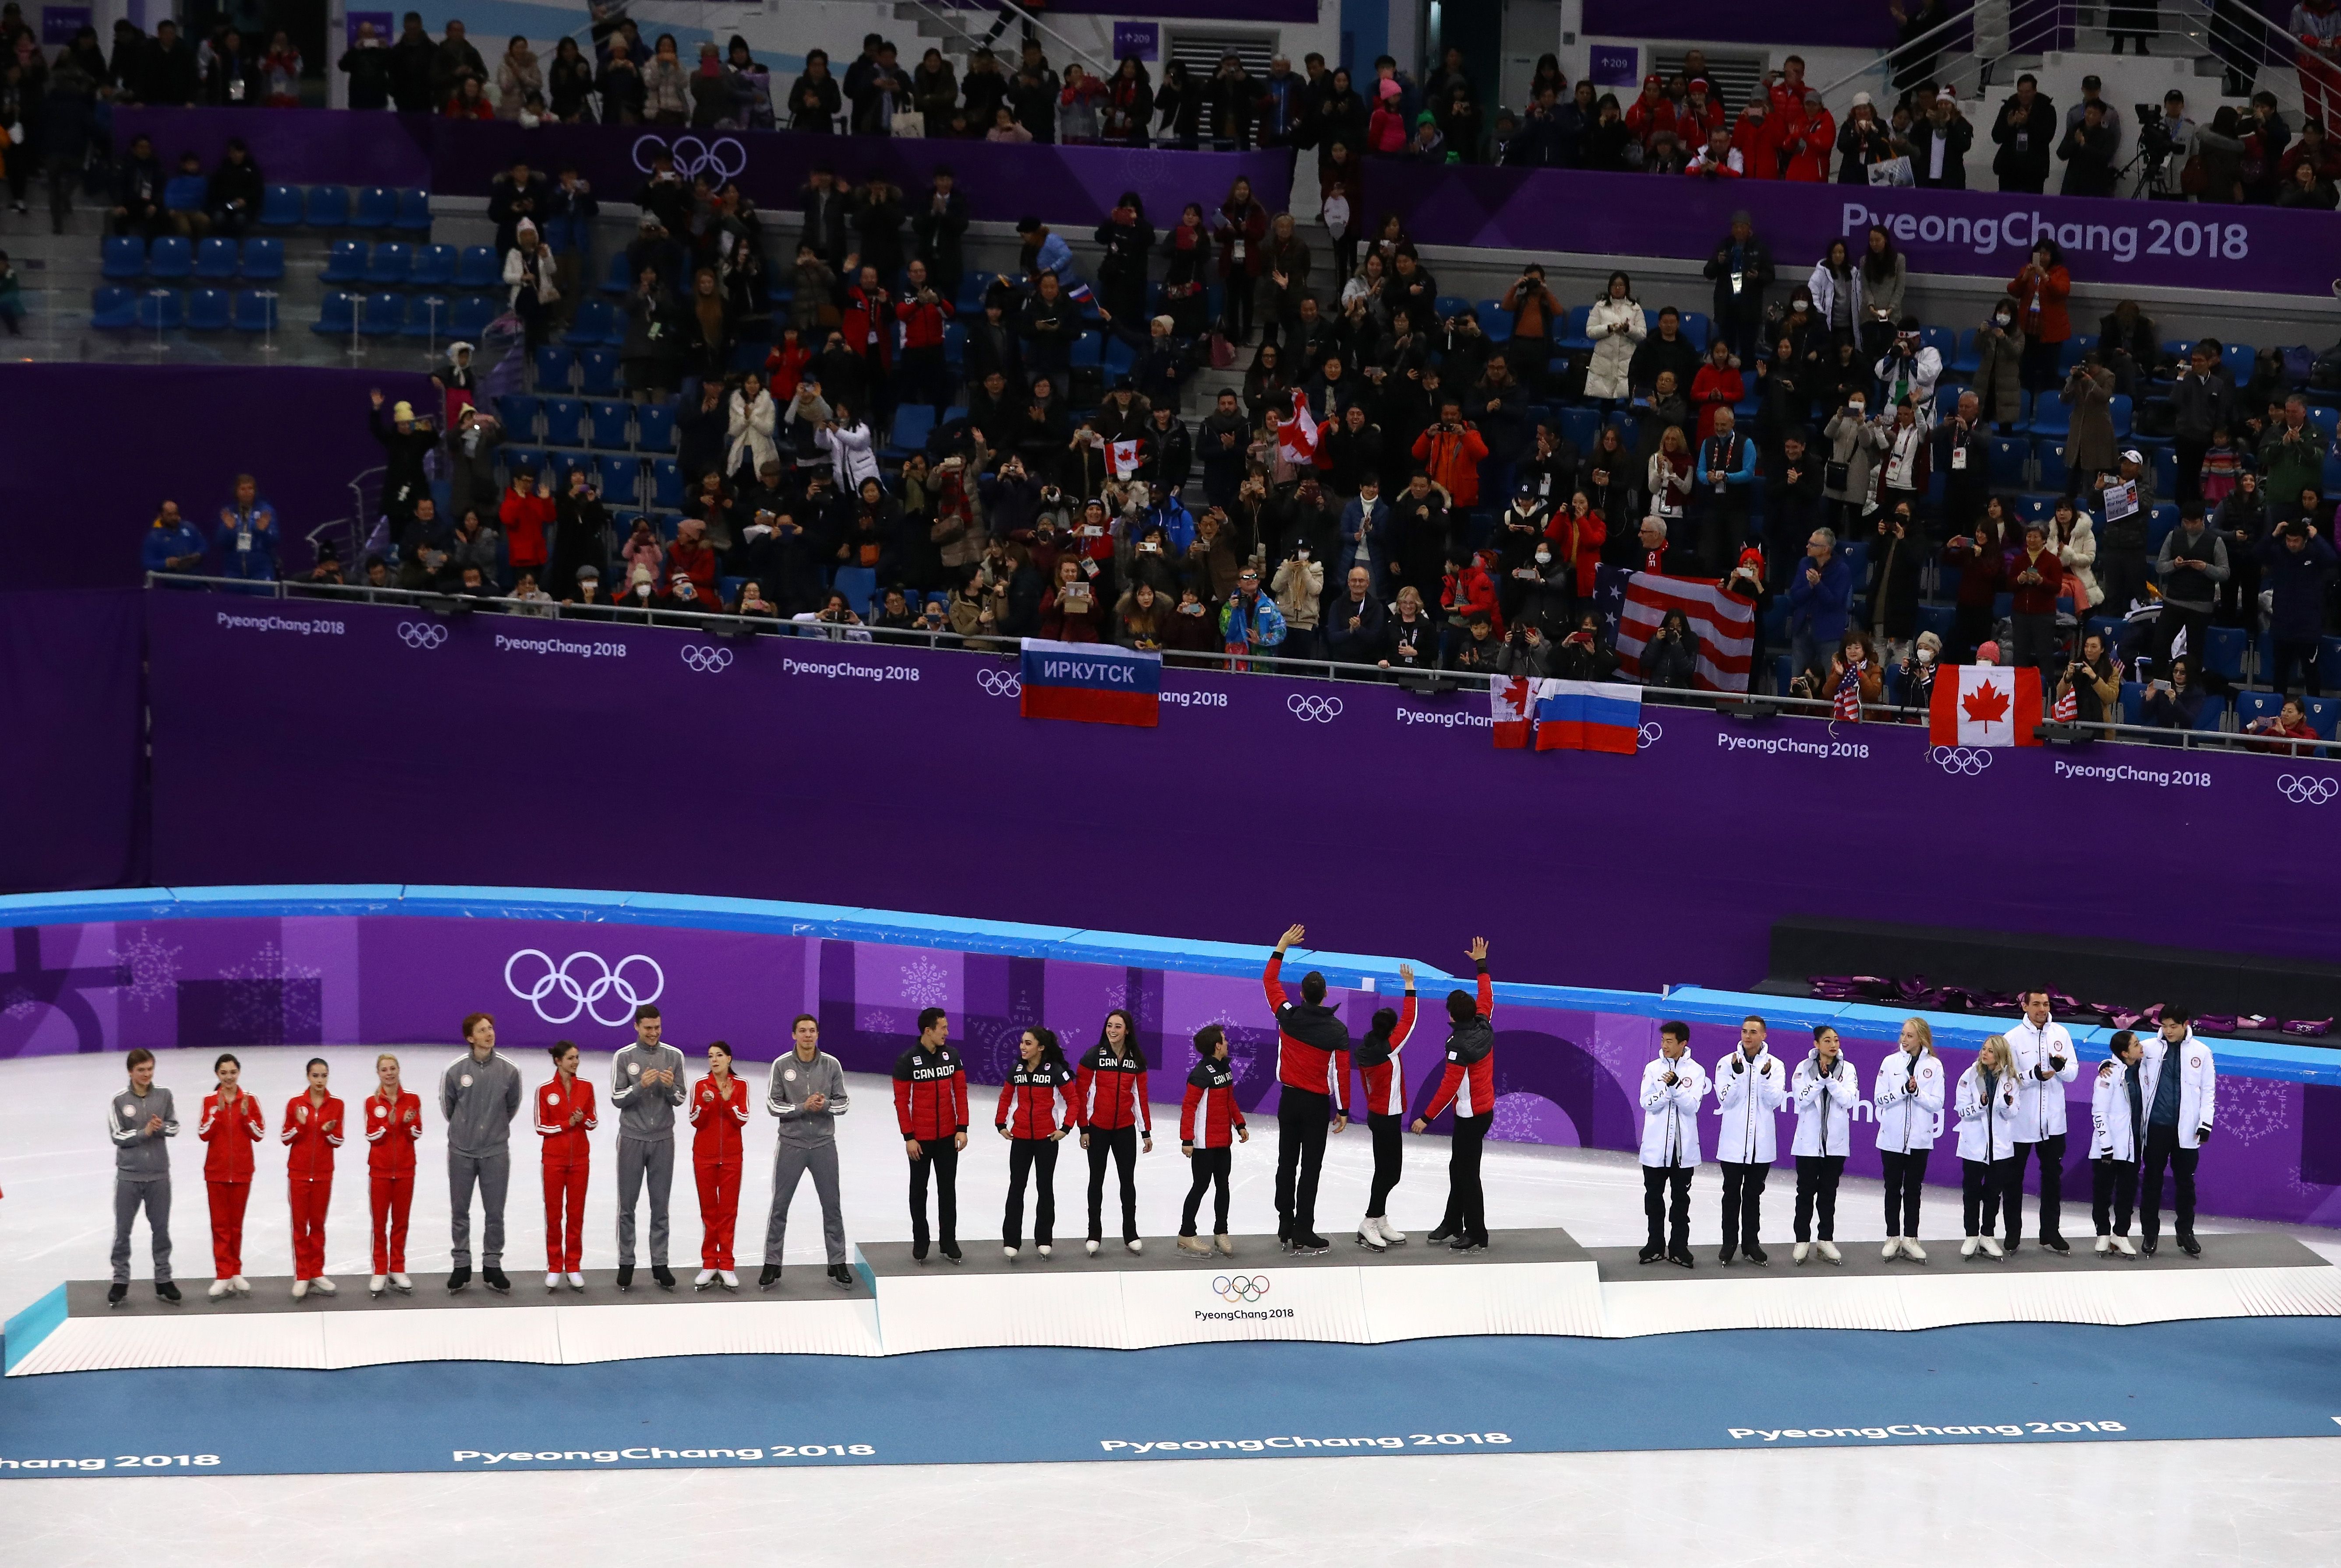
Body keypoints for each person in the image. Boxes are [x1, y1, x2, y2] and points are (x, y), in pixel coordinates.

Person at [1263, 922, 1353, 1254]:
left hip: (1289, 1102)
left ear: (1301, 995)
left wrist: (1282, 945)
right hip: (1317, 1106)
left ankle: (1285, 1223)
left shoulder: (1288, 1016)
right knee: (1310, 1167)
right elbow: (1342, 1074)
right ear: (1326, 994)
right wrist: (1343, 1110)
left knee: (1287, 1161)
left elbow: (1270, 982)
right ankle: (1304, 1229)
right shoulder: (1337, 1030)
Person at [1406, 939, 1496, 1252]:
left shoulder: (1458, 1046)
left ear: (1453, 1016)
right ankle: (1452, 1223)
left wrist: (1425, 1118)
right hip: (1481, 1111)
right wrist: (1481, 964)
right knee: (1458, 1168)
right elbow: (1487, 996)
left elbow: (1449, 1087)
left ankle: (1477, 1233)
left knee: (1467, 1174)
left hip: (1472, 1115)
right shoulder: (1483, 1023)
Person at [761, 1014, 856, 1290]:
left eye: (812, 1031)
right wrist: (803, 1107)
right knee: (780, 1206)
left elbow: (844, 1103)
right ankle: (771, 1263)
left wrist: (824, 1105)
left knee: (832, 1207)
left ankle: (837, 1263)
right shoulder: (781, 1065)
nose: (807, 1035)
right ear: (794, 1035)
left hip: (824, 1146)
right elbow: (772, 1105)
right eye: (802, 1031)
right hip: (791, 1145)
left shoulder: (831, 1065)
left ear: (817, 1035)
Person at [442, 1012, 522, 1294]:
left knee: (495, 1213)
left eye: (491, 1028)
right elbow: (448, 1108)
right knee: (460, 1210)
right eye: (482, 1030)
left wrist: (493, 1130)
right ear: (470, 1038)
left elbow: (512, 1106)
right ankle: (461, 1265)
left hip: (495, 1152)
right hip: (462, 1152)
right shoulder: (455, 1071)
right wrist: (467, 1130)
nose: (489, 1034)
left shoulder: (509, 1071)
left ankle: (492, 1265)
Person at [609, 1003, 686, 1291]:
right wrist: (640, 1085)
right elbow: (617, 1098)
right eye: (648, 1028)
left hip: (664, 1140)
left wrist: (668, 1087)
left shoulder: (674, 1056)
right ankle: (626, 1262)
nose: (654, 1033)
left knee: (660, 1206)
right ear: (637, 1027)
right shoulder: (624, 1057)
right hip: (632, 1138)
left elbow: (680, 1098)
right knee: (627, 1205)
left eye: (658, 1028)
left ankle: (660, 1264)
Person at [2003, 989, 2080, 1255]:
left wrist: (2059, 1068)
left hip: (2053, 1123)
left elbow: (2073, 1073)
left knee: (2052, 1179)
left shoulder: (2061, 1034)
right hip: (2021, 1122)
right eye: (2036, 1004)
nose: (2042, 1009)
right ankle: (2013, 1234)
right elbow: (2008, 1080)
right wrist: (2034, 1073)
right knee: (2014, 1180)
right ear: (2024, 1005)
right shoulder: (2012, 1039)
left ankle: (2050, 1233)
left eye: (2046, 1004)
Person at [2137, 1006, 2217, 1256]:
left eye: (2173, 1026)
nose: (2168, 1031)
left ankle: (2185, 1232)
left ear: (2186, 1024)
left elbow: (2209, 1091)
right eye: (2164, 1026)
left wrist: (2205, 1123)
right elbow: (2122, 1060)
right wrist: (2105, 1065)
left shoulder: (2201, 1052)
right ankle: (2150, 1232)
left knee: (2185, 1183)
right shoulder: (2149, 1047)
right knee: (2152, 1181)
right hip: (2157, 1127)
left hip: (2188, 1130)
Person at [1074, 1009, 1153, 1257]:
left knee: (1127, 1182)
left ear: (1127, 1030)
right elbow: (1081, 1096)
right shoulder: (1093, 1056)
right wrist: (1084, 1128)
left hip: (1125, 1130)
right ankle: (1094, 1233)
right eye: (1110, 1026)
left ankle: (1130, 1234)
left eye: (1118, 1027)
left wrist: (1145, 1132)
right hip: (1097, 1130)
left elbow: (1140, 1098)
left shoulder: (1136, 1060)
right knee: (1096, 1181)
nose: (1113, 1031)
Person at [995, 1028, 1079, 1259]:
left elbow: (1074, 1100)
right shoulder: (1017, 1070)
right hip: (1020, 1139)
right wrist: (1001, 1123)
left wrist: (1065, 1129)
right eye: (1022, 1042)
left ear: (1041, 1048)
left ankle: (1044, 1239)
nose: (1023, 1047)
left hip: (1046, 1140)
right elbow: (1005, 1097)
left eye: (1028, 1043)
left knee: (1045, 1188)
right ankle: (1012, 1240)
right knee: (1016, 1188)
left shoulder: (1055, 1071)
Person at [895, 1006, 969, 1264]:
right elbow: (902, 1103)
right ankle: (921, 1240)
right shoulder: (907, 1060)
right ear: (928, 1031)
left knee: (947, 1190)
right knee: (919, 1191)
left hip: (948, 1137)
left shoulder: (952, 1056)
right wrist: (909, 1137)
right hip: (921, 1141)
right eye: (943, 1028)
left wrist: (962, 1128)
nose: (947, 1033)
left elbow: (960, 1093)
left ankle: (949, 1241)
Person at [107, 1048, 180, 1307]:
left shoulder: (164, 1095)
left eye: (150, 1069)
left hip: (159, 1175)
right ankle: (120, 1280)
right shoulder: (119, 1100)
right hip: (129, 1177)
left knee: (161, 1230)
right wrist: (144, 1132)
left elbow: (175, 1125)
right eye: (141, 1070)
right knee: (123, 1232)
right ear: (131, 1072)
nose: (147, 1074)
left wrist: (162, 1128)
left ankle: (163, 1279)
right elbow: (117, 1136)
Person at [1353, 964, 1418, 1250]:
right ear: (1390, 1030)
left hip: (1379, 1115)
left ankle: (1379, 1218)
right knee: (1390, 1173)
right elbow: (1411, 1020)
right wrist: (1410, 986)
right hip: (1386, 1117)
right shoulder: (1389, 1048)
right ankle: (1369, 1221)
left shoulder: (1369, 1046)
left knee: (1386, 1171)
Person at [1712, 1014, 1785, 1266]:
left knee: (1754, 1196)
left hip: (1760, 1146)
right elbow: (1725, 1100)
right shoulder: (1726, 1063)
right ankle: (1729, 1243)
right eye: (1744, 1031)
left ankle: (1751, 1243)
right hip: (1732, 1145)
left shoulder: (1775, 1065)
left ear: (1764, 1035)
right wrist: (1739, 1075)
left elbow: (1774, 1101)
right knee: (1731, 1195)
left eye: (1753, 1032)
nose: (1748, 1036)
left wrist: (1763, 1078)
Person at [1637, 1023, 1708, 1267]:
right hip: (1656, 1148)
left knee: (1681, 1201)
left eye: (1670, 1041)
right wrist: (1667, 1091)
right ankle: (1655, 1244)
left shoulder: (1697, 1071)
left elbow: (1692, 1106)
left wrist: (1676, 1087)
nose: (1664, 1045)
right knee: (1654, 1198)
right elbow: (1646, 1102)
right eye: (1663, 1041)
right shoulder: (1652, 1068)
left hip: (1682, 1150)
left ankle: (1679, 1247)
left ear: (1683, 1044)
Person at [1873, 1017, 1944, 1261]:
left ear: (1921, 1038)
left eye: (1910, 1036)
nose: (1904, 1039)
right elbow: (1879, 1098)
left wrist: (1917, 1092)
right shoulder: (1890, 1062)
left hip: (1919, 1142)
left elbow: (1937, 1103)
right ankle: (1893, 1236)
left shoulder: (1934, 1066)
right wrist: (1903, 1090)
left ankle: (1911, 1237)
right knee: (1892, 1188)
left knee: (1913, 1190)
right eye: (1903, 1034)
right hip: (1891, 1139)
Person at [1786, 1026, 1858, 1264]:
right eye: (1827, 1040)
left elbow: (1849, 1100)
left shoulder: (1848, 1069)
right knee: (1805, 1194)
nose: (1833, 1045)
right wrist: (1820, 1080)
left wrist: (1831, 1081)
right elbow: (1801, 1099)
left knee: (1828, 1194)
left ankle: (1825, 1240)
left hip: (1834, 1145)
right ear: (1816, 1045)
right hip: (1809, 1145)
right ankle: (1802, 1241)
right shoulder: (1803, 1068)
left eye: (1836, 1040)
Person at [527, 1040, 594, 1294]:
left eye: (577, 1057)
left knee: (576, 1214)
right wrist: (568, 1123)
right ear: (558, 1061)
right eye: (571, 1058)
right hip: (553, 1160)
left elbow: (594, 1121)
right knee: (554, 1215)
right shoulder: (545, 1090)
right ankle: (555, 1266)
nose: (576, 1062)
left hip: (580, 1160)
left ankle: (574, 1265)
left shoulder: (586, 1087)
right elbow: (540, 1126)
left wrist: (583, 1120)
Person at [197, 1052, 265, 1300]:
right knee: (220, 1226)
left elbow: (259, 1133)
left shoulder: (250, 1100)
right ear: (217, 1075)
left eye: (233, 1072)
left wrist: (246, 1116)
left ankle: (235, 1272)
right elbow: (203, 1133)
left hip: (242, 1172)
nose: (229, 1077)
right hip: (216, 1173)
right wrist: (217, 1113)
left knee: (236, 1225)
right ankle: (223, 1274)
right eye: (224, 1073)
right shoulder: (209, 1101)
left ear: (239, 1073)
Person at [1177, 1024, 1249, 1255]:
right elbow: (1189, 1107)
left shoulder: (1225, 1069)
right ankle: (1186, 1234)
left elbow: (1231, 1102)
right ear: (1217, 1046)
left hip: (1223, 1141)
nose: (1228, 1043)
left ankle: (1221, 1232)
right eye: (1225, 1040)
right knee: (1200, 1186)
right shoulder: (1201, 1074)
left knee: (1223, 1186)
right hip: (1203, 1143)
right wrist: (1187, 1139)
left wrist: (1240, 1125)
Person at [279, 1058, 343, 1299]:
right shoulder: (296, 1104)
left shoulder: (337, 1104)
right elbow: (286, 1137)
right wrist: (300, 1125)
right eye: (316, 1076)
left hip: (324, 1174)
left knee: (318, 1225)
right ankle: (302, 1275)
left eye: (324, 1076)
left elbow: (339, 1140)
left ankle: (317, 1271)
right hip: (299, 1173)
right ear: (308, 1076)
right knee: (299, 1225)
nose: (320, 1080)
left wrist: (329, 1133)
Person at [686, 1041, 748, 1290]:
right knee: (709, 1212)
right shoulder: (701, 1085)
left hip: (732, 1157)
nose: (714, 1060)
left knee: (728, 1212)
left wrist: (727, 1101)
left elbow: (743, 1118)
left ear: (729, 1059)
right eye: (711, 1056)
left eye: (719, 1055)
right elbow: (694, 1120)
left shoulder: (741, 1085)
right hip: (704, 1156)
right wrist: (707, 1103)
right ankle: (710, 1262)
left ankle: (727, 1264)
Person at [1955, 1035, 2022, 1258]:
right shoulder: (1970, 1075)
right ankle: (1971, 1235)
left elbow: (2013, 1113)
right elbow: (1962, 1111)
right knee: (1971, 1192)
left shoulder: (2011, 1079)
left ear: (2001, 1055)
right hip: (1974, 1147)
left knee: (1994, 1194)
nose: (1985, 1054)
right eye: (1984, 1049)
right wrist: (1980, 1106)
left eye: (1991, 1051)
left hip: (2000, 1148)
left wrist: (2006, 1104)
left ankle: (1987, 1235)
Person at [2090, 1030, 2147, 1255]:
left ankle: (2120, 1235)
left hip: (2133, 1145)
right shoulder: (2107, 1076)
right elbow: (2099, 1112)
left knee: (2127, 1193)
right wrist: (2106, 1145)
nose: (2141, 1046)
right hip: (2109, 1147)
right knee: (2103, 1193)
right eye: (2136, 1044)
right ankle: (2103, 1234)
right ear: (2125, 1053)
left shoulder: (2142, 1069)